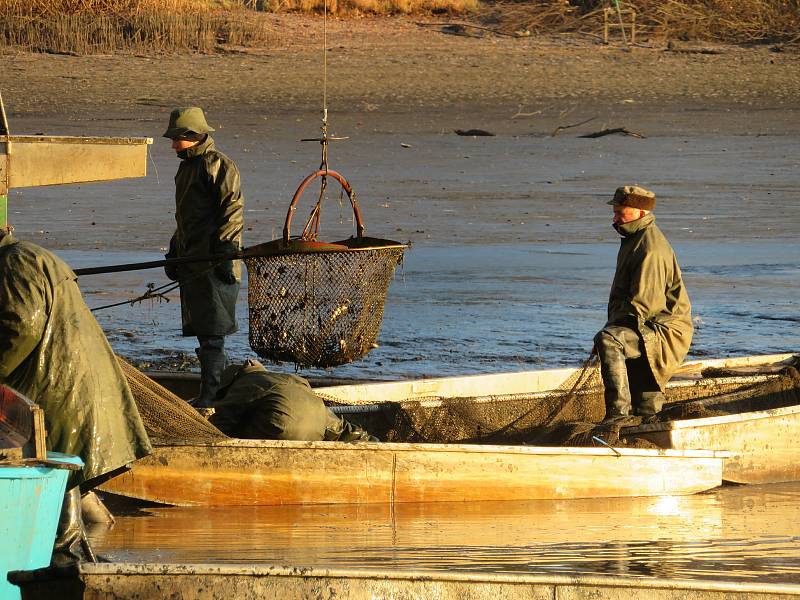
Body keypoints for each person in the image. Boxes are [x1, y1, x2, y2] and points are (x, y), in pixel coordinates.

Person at [0, 227, 152, 563]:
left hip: (61, 391)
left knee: (56, 474)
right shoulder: (32, 257)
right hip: (75, 388)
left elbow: (19, 327)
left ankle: (63, 570)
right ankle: (75, 564)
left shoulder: (15, 263)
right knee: (64, 482)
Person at [162, 106, 244, 409]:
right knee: (203, 331)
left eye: (175, 139)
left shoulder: (219, 166)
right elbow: (185, 218)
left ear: (191, 136)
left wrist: (225, 252)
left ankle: (211, 395)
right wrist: (175, 251)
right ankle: (210, 391)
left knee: (213, 333)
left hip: (215, 263)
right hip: (192, 261)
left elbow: (232, 212)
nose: (172, 145)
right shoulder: (186, 168)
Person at [593, 186, 693, 423]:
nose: (615, 218)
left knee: (609, 340)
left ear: (639, 212)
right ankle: (645, 420)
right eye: (615, 212)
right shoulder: (634, 237)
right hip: (647, 325)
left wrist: (610, 331)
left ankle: (617, 417)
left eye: (620, 213)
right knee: (647, 403)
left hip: (664, 330)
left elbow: (643, 305)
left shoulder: (650, 248)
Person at [209, 359, 377, 442]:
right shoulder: (294, 381)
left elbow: (223, 422)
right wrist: (371, 441)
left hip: (279, 432)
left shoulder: (245, 382)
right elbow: (338, 427)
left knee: (237, 426)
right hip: (314, 435)